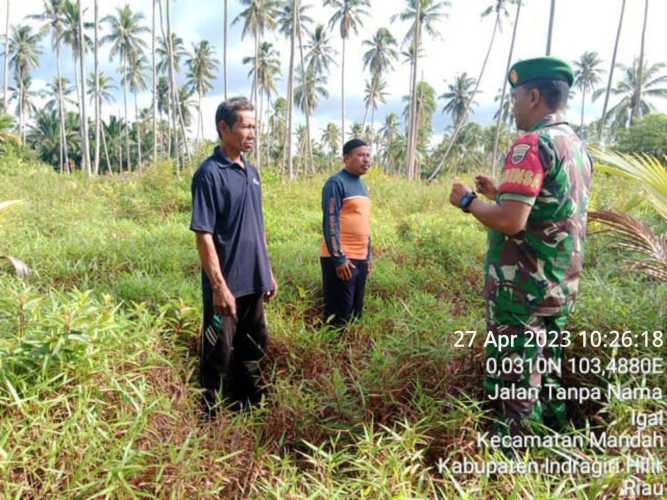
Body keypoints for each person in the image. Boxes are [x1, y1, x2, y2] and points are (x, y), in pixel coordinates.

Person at [448, 57, 593, 438]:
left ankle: (515, 462)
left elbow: (511, 222)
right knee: (547, 370)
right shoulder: (576, 146)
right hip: (559, 285)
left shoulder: (531, 143)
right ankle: (553, 442)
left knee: (515, 379)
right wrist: (500, 193)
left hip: (522, 290)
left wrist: (467, 201)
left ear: (532, 97)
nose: (511, 106)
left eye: (514, 97)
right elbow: (550, 208)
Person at [190, 96, 278, 414]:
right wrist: (219, 286)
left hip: (254, 280)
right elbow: (204, 234)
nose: (252, 132)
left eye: (255, 126)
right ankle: (209, 419)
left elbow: (258, 225)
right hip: (226, 286)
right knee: (218, 353)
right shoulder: (209, 174)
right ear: (223, 127)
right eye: (245, 126)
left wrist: (267, 271)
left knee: (252, 349)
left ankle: (247, 410)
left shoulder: (251, 172)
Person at [320, 138, 373, 327]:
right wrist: (339, 258)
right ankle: (332, 352)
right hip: (342, 259)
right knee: (338, 313)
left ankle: (350, 351)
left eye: (368, 155)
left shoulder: (363, 186)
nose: (366, 160)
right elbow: (330, 220)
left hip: (360, 257)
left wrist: (369, 255)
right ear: (346, 158)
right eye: (360, 155)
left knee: (355, 312)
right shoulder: (335, 183)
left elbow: (364, 222)